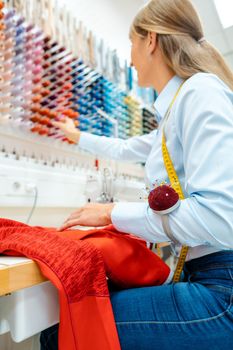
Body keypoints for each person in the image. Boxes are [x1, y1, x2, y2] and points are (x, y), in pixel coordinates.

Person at [40, 0, 233, 349]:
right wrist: (77, 137)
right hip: (206, 275)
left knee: (61, 334)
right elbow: (124, 149)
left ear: (151, 41)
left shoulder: (200, 93)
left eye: (131, 44)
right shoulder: (174, 113)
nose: (129, 58)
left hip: (222, 290)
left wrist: (111, 212)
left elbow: (219, 217)